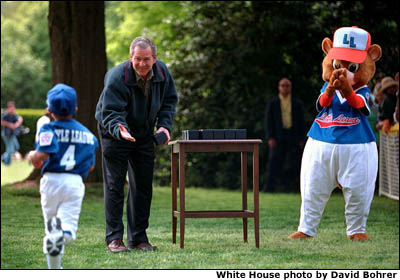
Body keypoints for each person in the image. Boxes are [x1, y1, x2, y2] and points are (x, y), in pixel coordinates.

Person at [95, 36, 178, 253]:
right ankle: (114, 239)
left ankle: (139, 239)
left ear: (155, 58)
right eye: (137, 59)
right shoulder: (116, 77)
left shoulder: (162, 73)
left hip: (143, 133)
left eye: (146, 59)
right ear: (130, 57)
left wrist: (165, 126)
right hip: (114, 132)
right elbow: (111, 111)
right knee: (115, 186)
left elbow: (169, 101)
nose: (142, 64)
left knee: (142, 185)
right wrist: (120, 129)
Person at [27, 83, 99, 269]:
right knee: (66, 228)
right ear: (75, 108)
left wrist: (31, 156)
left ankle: (54, 268)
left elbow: (42, 155)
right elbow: (90, 167)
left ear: (49, 109)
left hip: (51, 181)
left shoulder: (47, 128)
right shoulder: (89, 136)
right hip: (74, 183)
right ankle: (60, 251)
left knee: (52, 227)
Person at [263, 77, 306, 192]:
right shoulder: (273, 103)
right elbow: (268, 121)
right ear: (279, 87)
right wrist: (270, 137)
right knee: (273, 162)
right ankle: (268, 188)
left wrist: (302, 138)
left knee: (294, 162)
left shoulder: (297, 103)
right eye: (283, 85)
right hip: (278, 136)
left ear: (290, 88)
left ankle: (292, 188)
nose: (285, 88)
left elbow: (302, 122)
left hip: (293, 135)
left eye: (287, 86)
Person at [1, 101, 23, 165]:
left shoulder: (14, 115)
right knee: (10, 149)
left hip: (12, 134)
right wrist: (10, 125)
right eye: (12, 108)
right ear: (9, 108)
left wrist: (16, 124)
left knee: (16, 147)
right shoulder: (6, 114)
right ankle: (7, 163)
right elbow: (2, 122)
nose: (13, 110)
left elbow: (20, 118)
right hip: (6, 134)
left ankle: (3, 158)